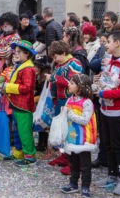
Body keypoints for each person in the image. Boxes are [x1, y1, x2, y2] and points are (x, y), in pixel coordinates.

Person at [93, 30, 120, 196]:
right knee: (107, 143)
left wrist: (104, 94)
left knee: (118, 146)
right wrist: (99, 80)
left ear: (117, 43)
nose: (106, 45)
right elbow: (108, 80)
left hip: (117, 112)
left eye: (108, 41)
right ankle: (112, 175)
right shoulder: (111, 61)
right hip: (105, 109)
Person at [45, 40, 83, 175]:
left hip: (71, 101)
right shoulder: (61, 63)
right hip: (61, 100)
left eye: (55, 57)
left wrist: (54, 78)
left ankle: (73, 161)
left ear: (63, 52)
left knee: (71, 131)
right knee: (62, 130)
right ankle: (65, 155)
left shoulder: (74, 63)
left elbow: (74, 83)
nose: (55, 60)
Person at [0, 40, 37, 166]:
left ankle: (30, 155)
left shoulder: (27, 69)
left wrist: (7, 87)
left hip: (23, 105)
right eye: (15, 52)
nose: (15, 54)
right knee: (17, 130)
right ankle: (19, 152)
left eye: (19, 52)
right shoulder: (21, 66)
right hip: (17, 103)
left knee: (24, 131)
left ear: (27, 54)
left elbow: (26, 87)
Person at [60, 74, 97, 198]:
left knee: (85, 164)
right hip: (72, 138)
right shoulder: (70, 99)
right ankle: (73, 183)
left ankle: (85, 186)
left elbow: (85, 120)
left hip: (84, 140)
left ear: (80, 87)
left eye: (72, 83)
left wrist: (69, 114)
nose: (68, 85)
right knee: (73, 162)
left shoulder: (87, 102)